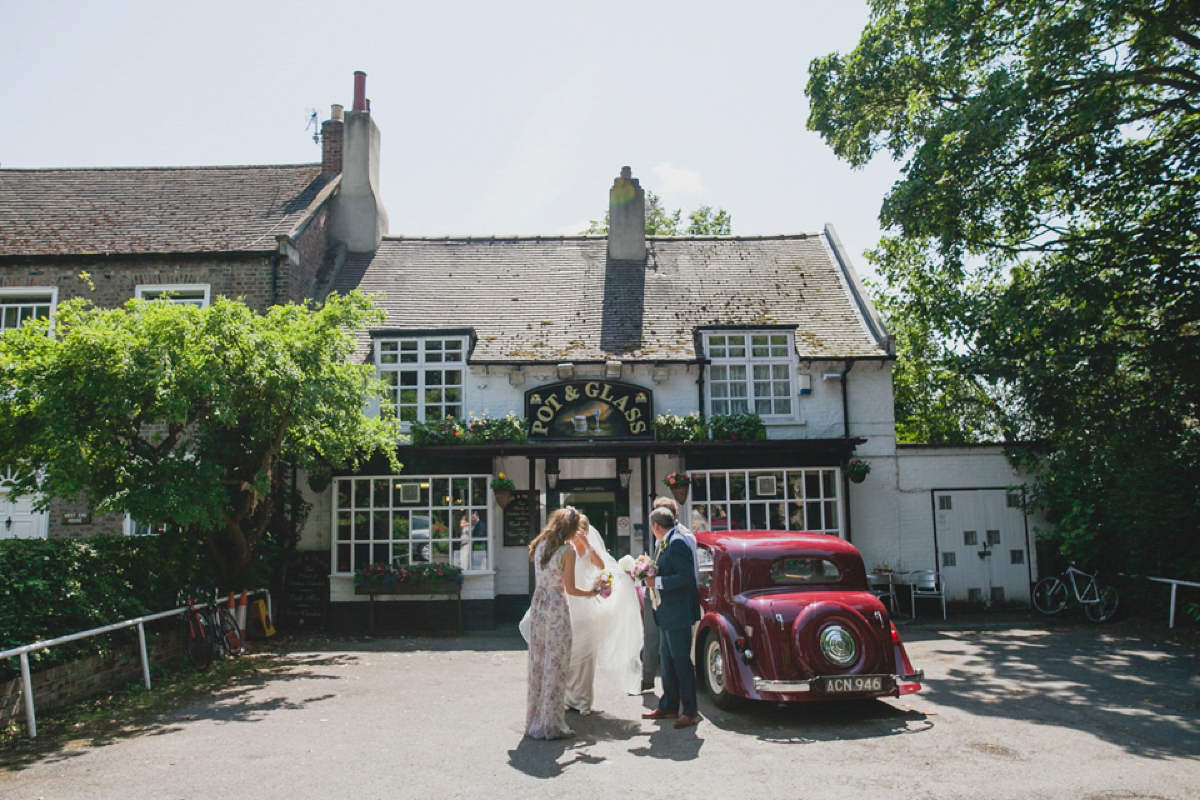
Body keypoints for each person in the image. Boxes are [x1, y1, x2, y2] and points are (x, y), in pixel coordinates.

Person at [521, 513, 644, 714]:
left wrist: (587, 544)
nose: (581, 532)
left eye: (584, 528)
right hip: (566, 602)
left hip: (584, 605)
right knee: (567, 653)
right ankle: (568, 696)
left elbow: (602, 565)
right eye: (579, 528)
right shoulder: (562, 549)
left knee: (586, 655)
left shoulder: (584, 548)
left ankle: (583, 700)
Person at [524, 507, 599, 740]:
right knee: (557, 664)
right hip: (556, 609)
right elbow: (572, 589)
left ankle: (535, 720)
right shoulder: (567, 552)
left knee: (539, 663)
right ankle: (552, 724)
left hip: (538, 607)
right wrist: (593, 592)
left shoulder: (539, 544)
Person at [641, 506, 702, 729]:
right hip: (667, 610)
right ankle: (668, 704)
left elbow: (685, 577)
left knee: (681, 662)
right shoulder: (666, 540)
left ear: (656, 525)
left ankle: (690, 710)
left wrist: (655, 582)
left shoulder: (676, 542)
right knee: (666, 660)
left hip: (679, 611)